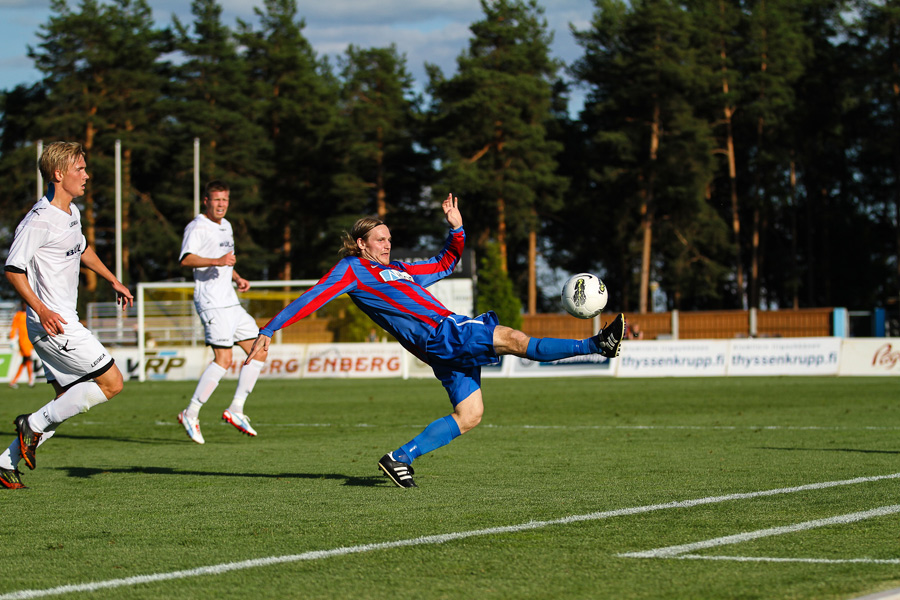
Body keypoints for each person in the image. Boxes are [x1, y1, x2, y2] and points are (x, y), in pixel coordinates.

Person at [244, 193, 625, 488]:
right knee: (512, 338)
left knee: (470, 415)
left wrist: (456, 228)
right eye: (379, 240)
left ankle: (399, 457)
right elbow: (313, 297)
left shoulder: (399, 270)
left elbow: (446, 262)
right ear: (360, 244)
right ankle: (596, 346)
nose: (387, 244)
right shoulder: (353, 270)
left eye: (389, 238)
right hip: (443, 334)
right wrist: (269, 328)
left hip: (442, 343)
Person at [1, 141, 133, 490]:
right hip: (54, 323)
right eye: (80, 169)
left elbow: (83, 248)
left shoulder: (70, 213)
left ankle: (4, 463)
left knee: (67, 401)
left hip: (58, 320)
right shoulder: (39, 220)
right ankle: (31, 424)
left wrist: (113, 280)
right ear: (59, 174)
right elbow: (13, 270)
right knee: (112, 383)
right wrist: (42, 309)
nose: (86, 175)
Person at [176, 180, 268, 445]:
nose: (221, 205)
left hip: (230, 301)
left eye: (225, 200)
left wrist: (236, 277)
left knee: (260, 347)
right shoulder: (197, 227)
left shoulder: (226, 226)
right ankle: (190, 412)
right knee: (223, 359)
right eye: (216, 200)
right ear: (206, 201)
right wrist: (218, 261)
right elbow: (186, 259)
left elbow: (226, 261)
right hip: (211, 302)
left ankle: (236, 408)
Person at [8, 301, 35, 388]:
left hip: (30, 341)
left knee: (25, 361)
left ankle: (13, 381)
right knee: (28, 358)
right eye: (24, 304)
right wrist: (12, 338)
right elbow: (14, 327)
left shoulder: (30, 314)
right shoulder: (18, 315)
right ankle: (31, 380)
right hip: (22, 341)